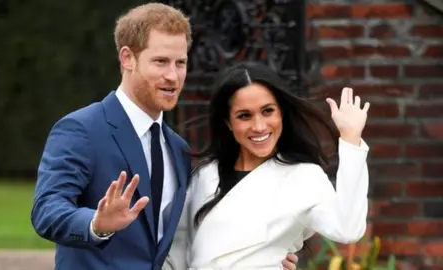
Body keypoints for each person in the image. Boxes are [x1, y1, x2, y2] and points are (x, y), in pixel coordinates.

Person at [31, 3, 299, 270]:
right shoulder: (82, 129)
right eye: (160, 61)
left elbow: (184, 241)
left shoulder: (177, 148)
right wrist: (95, 225)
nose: (173, 76)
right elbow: (46, 210)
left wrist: (261, 256)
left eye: (180, 63)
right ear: (127, 58)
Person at [166, 62, 371, 269]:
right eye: (244, 115)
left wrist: (350, 138)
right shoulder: (203, 175)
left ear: (281, 112)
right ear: (228, 122)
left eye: (267, 111)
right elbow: (175, 253)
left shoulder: (303, 176)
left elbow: (347, 228)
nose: (259, 126)